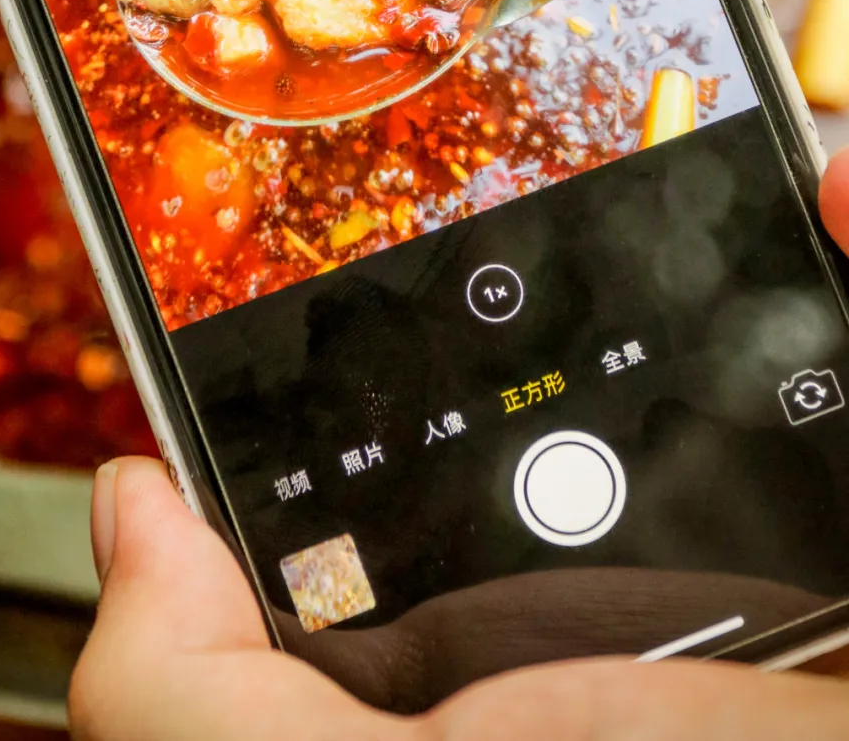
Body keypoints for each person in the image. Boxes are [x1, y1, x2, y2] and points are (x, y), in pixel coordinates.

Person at [71, 147, 849, 741]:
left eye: (360, 402)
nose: (339, 430)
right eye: (325, 410)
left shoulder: (450, 507)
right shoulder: (327, 564)